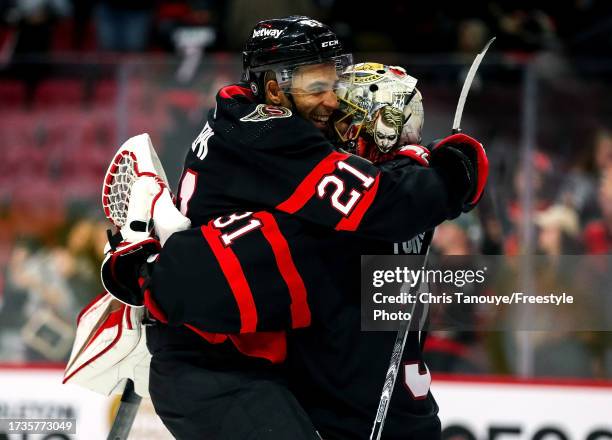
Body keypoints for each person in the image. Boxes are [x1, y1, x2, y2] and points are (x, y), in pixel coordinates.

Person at [102, 16, 489, 440]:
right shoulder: (271, 133)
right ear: (273, 89)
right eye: (315, 88)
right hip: (213, 362)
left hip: (240, 349)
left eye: (334, 84)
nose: (331, 102)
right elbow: (386, 203)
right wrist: (446, 171)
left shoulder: (243, 121)